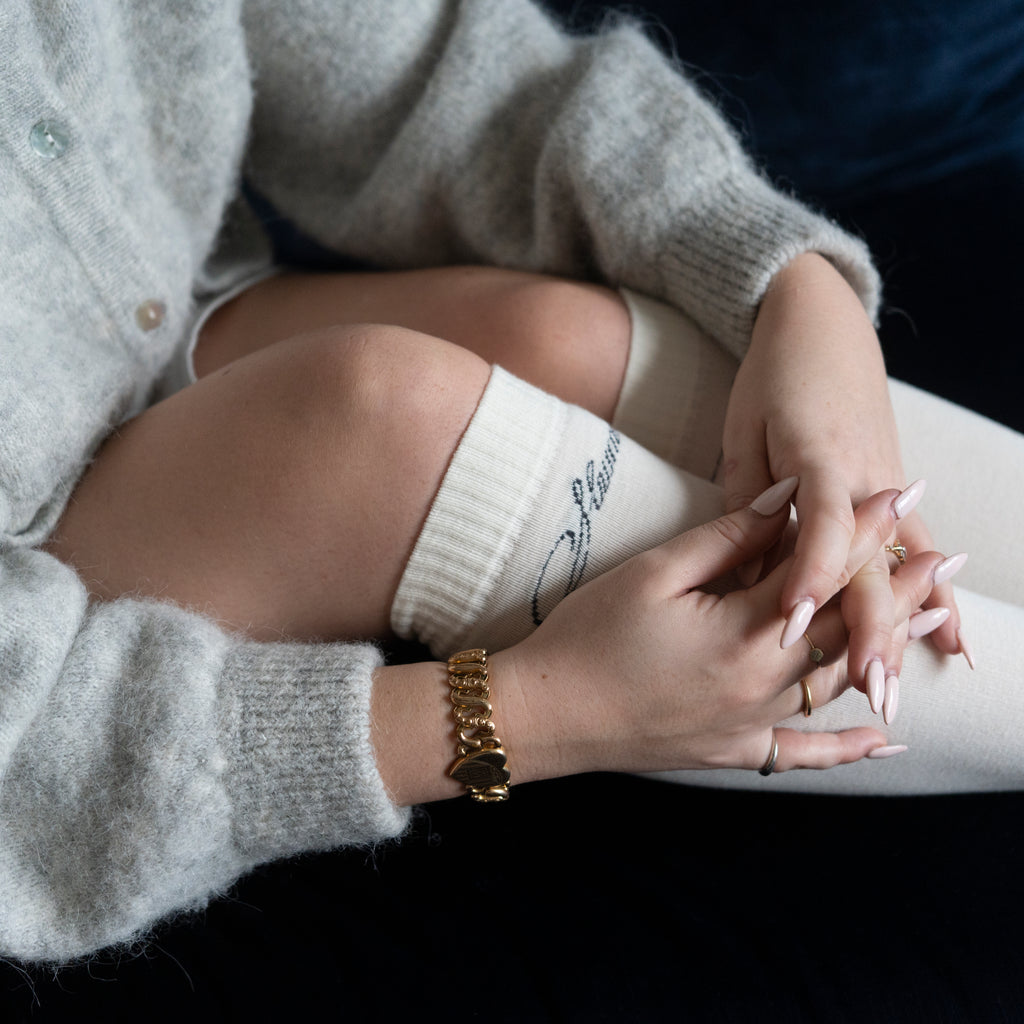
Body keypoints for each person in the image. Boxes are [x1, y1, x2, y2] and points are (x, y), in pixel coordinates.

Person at [1, 0, 1017, 965]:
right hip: (40, 626)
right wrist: (531, 713)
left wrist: (795, 290)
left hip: (204, 319)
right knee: (375, 427)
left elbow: (439, 81)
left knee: (561, 338)